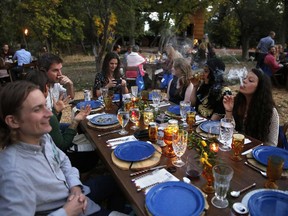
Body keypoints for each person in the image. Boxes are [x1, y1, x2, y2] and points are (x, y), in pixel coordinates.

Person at [0, 81, 129, 215]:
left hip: (77, 193)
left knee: (121, 182)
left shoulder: (43, 138)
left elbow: (63, 161)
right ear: (13, 121)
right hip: (73, 210)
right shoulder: (12, 172)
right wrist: (66, 212)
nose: (49, 114)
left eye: (45, 105)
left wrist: (75, 186)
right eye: (37, 109)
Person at [26, 69, 98, 173]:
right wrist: (75, 121)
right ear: (46, 88)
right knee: (95, 146)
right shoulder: (45, 114)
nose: (60, 73)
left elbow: (52, 127)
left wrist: (56, 112)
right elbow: (63, 145)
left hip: (45, 157)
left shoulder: (27, 111)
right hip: (61, 159)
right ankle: (85, 172)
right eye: (55, 70)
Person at [223, 68, 279, 146]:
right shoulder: (237, 102)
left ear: (260, 88)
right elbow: (228, 132)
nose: (244, 81)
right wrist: (229, 110)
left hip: (256, 154)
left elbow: (271, 144)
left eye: (251, 80)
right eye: (245, 78)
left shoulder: (270, 112)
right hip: (235, 147)